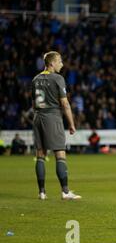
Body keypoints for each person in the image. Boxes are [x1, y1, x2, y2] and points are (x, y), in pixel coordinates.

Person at [31, 51, 81, 200]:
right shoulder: (58, 78)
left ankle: (42, 192)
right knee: (60, 154)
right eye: (59, 61)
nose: (62, 64)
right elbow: (65, 103)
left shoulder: (35, 79)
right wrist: (71, 124)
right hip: (52, 117)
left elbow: (33, 103)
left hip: (38, 117)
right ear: (52, 63)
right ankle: (65, 192)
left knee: (40, 155)